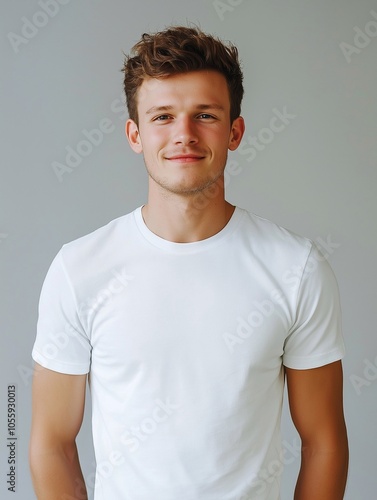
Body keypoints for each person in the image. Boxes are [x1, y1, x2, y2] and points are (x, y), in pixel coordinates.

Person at [29, 26, 349, 500]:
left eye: (205, 115)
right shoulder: (79, 269)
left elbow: (324, 442)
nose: (184, 134)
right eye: (162, 116)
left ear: (235, 132)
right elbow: (50, 442)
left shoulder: (295, 268)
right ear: (135, 134)